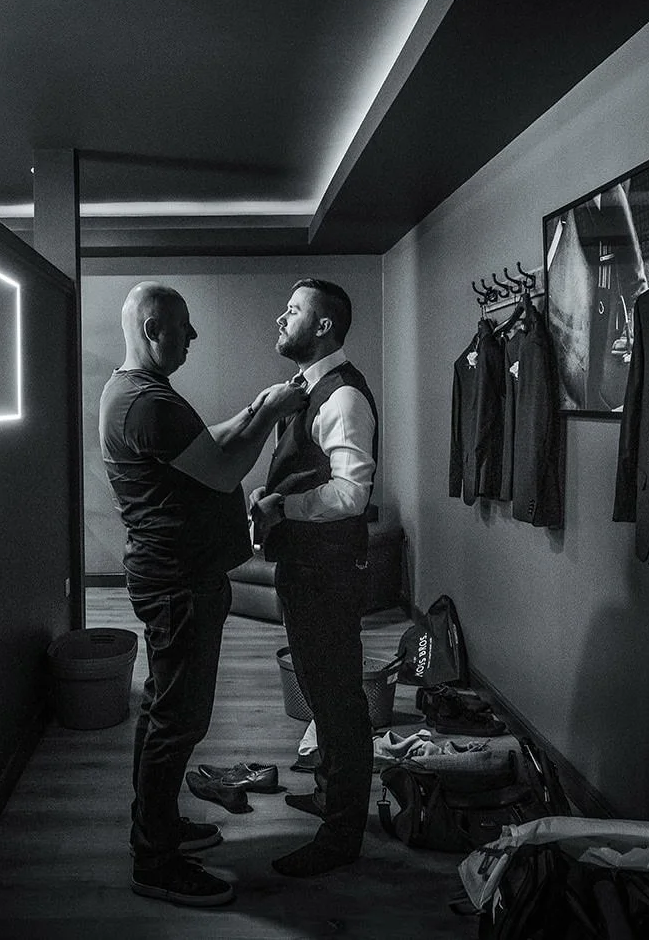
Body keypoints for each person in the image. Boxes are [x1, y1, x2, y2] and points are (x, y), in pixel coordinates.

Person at [99, 281, 307, 908]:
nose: (192, 336)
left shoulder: (134, 391)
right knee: (179, 721)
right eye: (183, 327)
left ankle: (157, 828)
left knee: (164, 712)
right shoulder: (147, 403)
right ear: (153, 328)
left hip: (173, 578)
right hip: (179, 583)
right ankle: (155, 862)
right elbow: (222, 469)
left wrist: (250, 411)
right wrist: (270, 414)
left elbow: (200, 446)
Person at [250, 278, 379, 878]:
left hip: (327, 571)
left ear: (323, 325)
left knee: (338, 698)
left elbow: (352, 493)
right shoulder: (305, 390)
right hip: (306, 568)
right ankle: (330, 794)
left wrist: (284, 507)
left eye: (293, 309)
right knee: (318, 686)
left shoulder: (343, 396)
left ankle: (342, 834)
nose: (282, 317)